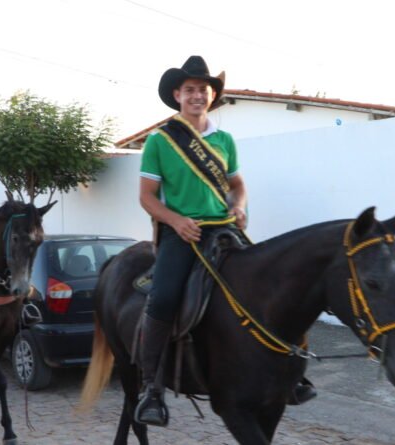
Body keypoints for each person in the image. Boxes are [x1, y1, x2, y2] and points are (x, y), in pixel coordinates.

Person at [135, 56, 314, 427]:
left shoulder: (225, 139)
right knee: (164, 297)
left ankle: (291, 374)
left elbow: (237, 186)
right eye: (190, 90)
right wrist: (176, 221)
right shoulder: (160, 140)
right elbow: (147, 197)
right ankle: (151, 388)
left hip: (223, 230)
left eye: (203, 89)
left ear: (212, 95)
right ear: (177, 95)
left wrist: (241, 207)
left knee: (271, 285)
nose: (197, 95)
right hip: (182, 233)